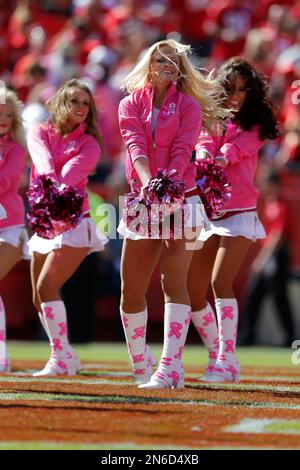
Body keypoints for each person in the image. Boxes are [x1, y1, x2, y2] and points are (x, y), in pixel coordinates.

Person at [117, 39, 229, 389]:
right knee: (130, 289)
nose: (167, 65)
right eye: (160, 59)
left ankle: (171, 368)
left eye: (174, 60)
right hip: (142, 195)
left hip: (184, 197)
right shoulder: (128, 104)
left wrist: (168, 187)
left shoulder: (189, 107)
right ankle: (140, 363)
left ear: (181, 68)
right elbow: (134, 143)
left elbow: (183, 151)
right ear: (149, 64)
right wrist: (151, 186)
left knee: (173, 282)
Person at [188, 57, 279, 383]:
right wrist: (203, 156)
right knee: (192, 291)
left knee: (220, 281)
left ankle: (227, 357)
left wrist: (215, 160)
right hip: (207, 212)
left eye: (243, 89)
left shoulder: (254, 125)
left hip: (239, 212)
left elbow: (235, 151)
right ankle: (218, 355)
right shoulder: (210, 119)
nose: (237, 95)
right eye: (231, 89)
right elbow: (203, 143)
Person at [27, 78, 107, 376]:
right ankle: (66, 355)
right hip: (45, 223)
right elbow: (42, 159)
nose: (80, 107)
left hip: (75, 224)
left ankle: (60, 356)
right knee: (39, 294)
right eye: (74, 100)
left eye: (85, 103)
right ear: (62, 102)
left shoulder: (89, 143)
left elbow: (72, 174)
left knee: (47, 286)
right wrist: (50, 182)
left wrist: (52, 185)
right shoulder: (39, 131)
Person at [239, 170, 295, 347]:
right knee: (255, 293)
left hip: (276, 257)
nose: (263, 187)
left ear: (275, 185)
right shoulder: (270, 204)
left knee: (279, 297)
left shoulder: (280, 205)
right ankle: (248, 335)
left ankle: (290, 336)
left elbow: (278, 236)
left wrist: (263, 258)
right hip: (270, 256)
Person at [0, 88, 28, 373]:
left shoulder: (17, 149)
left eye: (9, 114)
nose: (4, 118)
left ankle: (1, 355)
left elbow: (5, 182)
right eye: (0, 113)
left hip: (9, 227)